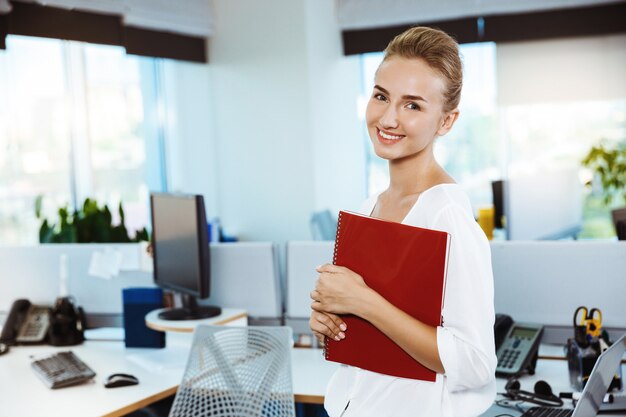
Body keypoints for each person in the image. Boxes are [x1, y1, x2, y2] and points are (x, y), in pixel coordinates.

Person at [309, 26, 497, 417]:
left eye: (412, 105)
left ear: (446, 122)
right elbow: (364, 337)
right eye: (381, 96)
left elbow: (476, 364)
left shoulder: (448, 219)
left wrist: (364, 302)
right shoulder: (366, 209)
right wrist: (331, 321)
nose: (388, 118)